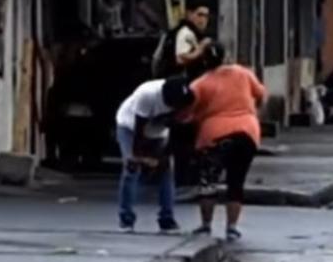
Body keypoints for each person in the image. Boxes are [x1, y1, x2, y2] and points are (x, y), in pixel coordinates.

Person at [183, 44, 266, 241]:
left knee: (208, 182)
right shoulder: (243, 74)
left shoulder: (200, 84)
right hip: (247, 132)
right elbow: (261, 94)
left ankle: (205, 225)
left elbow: (188, 113)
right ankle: (232, 227)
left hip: (214, 136)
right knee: (236, 181)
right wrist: (252, 113)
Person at [114, 76, 194, 232]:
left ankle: (166, 219)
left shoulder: (186, 101)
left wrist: (163, 157)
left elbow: (180, 134)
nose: (175, 108)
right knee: (131, 168)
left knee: (166, 171)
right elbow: (139, 132)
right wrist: (139, 157)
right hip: (130, 127)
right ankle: (126, 219)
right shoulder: (147, 94)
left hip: (159, 133)